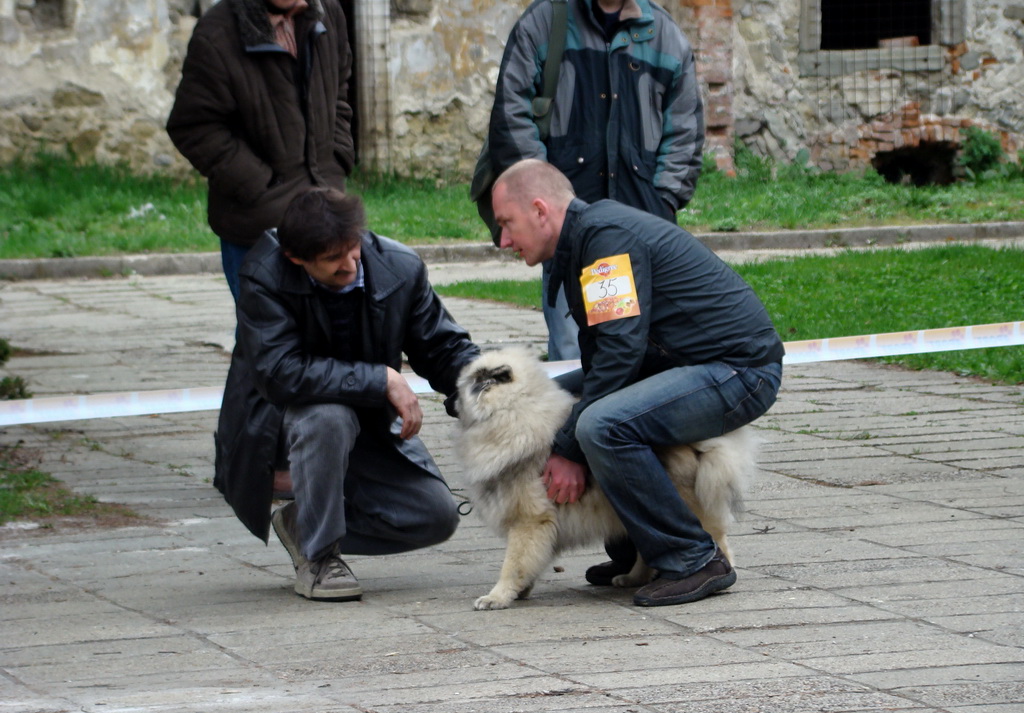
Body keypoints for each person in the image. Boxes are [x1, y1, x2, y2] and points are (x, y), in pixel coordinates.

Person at [490, 159, 783, 607]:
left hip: (737, 372)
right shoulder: (585, 238)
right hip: (684, 365)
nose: (503, 240)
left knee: (600, 426)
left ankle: (692, 558)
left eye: (507, 224)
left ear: (540, 209)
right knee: (553, 396)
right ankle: (632, 546)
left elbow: (620, 352)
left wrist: (568, 450)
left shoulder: (606, 241)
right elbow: (612, 354)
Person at [213, 187, 480, 601]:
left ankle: (305, 524)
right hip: (279, 423)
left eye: (352, 248)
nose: (349, 265)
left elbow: (442, 348)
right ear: (295, 259)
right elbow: (281, 373)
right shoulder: (264, 274)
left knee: (435, 516)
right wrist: (382, 380)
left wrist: (487, 388)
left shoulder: (398, 267)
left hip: (368, 422)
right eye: (332, 259)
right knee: (328, 415)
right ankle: (319, 558)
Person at [486, 0, 705, 360]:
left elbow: (685, 130)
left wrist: (662, 201)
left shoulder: (665, 36)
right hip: (566, 230)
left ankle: (625, 414)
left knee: (635, 346)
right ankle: (579, 416)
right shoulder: (545, 23)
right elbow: (511, 112)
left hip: (639, 225)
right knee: (574, 350)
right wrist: (537, 194)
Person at [166, 0, 355, 302]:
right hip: (259, 226)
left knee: (335, 333)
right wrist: (260, 185)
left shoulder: (328, 12)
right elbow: (194, 126)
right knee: (266, 340)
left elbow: (340, 89)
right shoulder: (218, 32)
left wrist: (337, 156)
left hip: (327, 216)